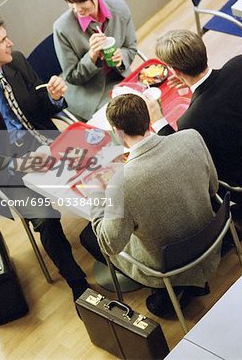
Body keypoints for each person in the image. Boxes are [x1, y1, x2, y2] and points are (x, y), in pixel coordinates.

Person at [0, 13, 89, 301]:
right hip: (9, 170)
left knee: (96, 171)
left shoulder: (18, 62)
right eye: (2, 41)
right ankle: (78, 284)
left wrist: (53, 98)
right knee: (47, 218)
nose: (10, 43)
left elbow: (41, 106)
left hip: (44, 143)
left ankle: (106, 242)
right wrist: (15, 164)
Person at [83, 94, 220, 317]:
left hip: (171, 264)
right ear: (148, 119)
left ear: (117, 132)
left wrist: (99, 191)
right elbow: (213, 188)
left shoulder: (122, 184)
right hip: (211, 236)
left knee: (89, 237)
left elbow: (110, 245)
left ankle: (173, 290)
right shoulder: (191, 137)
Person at [146, 30, 242, 216]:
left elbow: (182, 160)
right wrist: (194, 88)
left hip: (240, 181)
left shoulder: (190, 121)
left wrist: (158, 121)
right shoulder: (241, 63)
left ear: (175, 71)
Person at [53, 0, 137, 121]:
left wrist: (121, 57)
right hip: (89, 94)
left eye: (81, 1)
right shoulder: (62, 28)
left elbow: (131, 48)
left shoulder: (120, 9)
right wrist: (91, 57)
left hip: (120, 79)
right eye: (71, 3)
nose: (77, 9)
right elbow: (71, 76)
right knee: (125, 118)